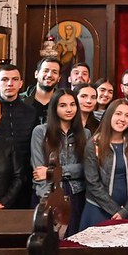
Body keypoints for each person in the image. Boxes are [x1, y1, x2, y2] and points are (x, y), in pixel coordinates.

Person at [79, 100, 128, 229]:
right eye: (118, 114)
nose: (122, 119)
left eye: (127, 115)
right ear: (109, 115)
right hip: (98, 209)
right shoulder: (94, 144)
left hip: (127, 209)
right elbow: (93, 183)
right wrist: (116, 210)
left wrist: (126, 211)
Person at [30, 89, 88, 233]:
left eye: (72, 104)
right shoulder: (40, 132)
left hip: (76, 193)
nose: (69, 109)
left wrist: (56, 172)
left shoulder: (85, 133)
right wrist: (48, 200)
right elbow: (39, 172)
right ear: (54, 108)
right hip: (47, 193)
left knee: (73, 240)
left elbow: (85, 168)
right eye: (63, 105)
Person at [0, 63, 37, 206]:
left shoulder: (30, 112)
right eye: (5, 79)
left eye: (14, 79)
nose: (10, 84)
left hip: (25, 178)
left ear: (21, 84)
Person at [24, 57, 61, 125]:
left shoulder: (63, 102)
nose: (49, 75)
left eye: (54, 72)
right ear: (36, 74)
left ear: (59, 78)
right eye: (46, 71)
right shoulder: (21, 100)